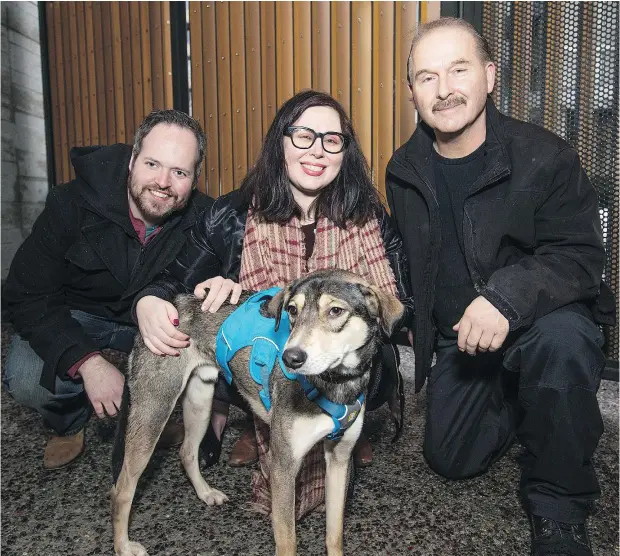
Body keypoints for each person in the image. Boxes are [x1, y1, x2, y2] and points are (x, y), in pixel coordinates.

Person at [386, 17, 616, 556]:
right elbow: (400, 262)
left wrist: (505, 299)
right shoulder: (404, 171)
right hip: (461, 345)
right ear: (412, 92)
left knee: (563, 343)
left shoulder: (546, 155)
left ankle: (559, 507)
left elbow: (582, 257)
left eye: (459, 69)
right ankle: (531, 406)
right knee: (450, 461)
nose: (444, 91)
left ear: (489, 76)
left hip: (541, 326)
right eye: (427, 77)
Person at [133, 89, 414, 518]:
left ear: (344, 153)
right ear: (280, 141)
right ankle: (268, 421)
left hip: (352, 372)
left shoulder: (368, 218)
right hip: (267, 367)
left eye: (331, 140)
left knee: (345, 385)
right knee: (262, 378)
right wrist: (150, 301)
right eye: (303, 135)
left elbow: (401, 302)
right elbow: (171, 280)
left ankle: (339, 429)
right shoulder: (231, 215)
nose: (317, 150)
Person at [2, 110, 212, 470]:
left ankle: (149, 419)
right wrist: (87, 363)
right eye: (152, 164)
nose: (163, 181)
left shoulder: (204, 219)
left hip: (148, 319)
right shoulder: (70, 204)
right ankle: (68, 423)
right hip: (78, 315)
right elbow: (26, 294)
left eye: (180, 172)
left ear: (193, 181)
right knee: (25, 377)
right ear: (132, 160)